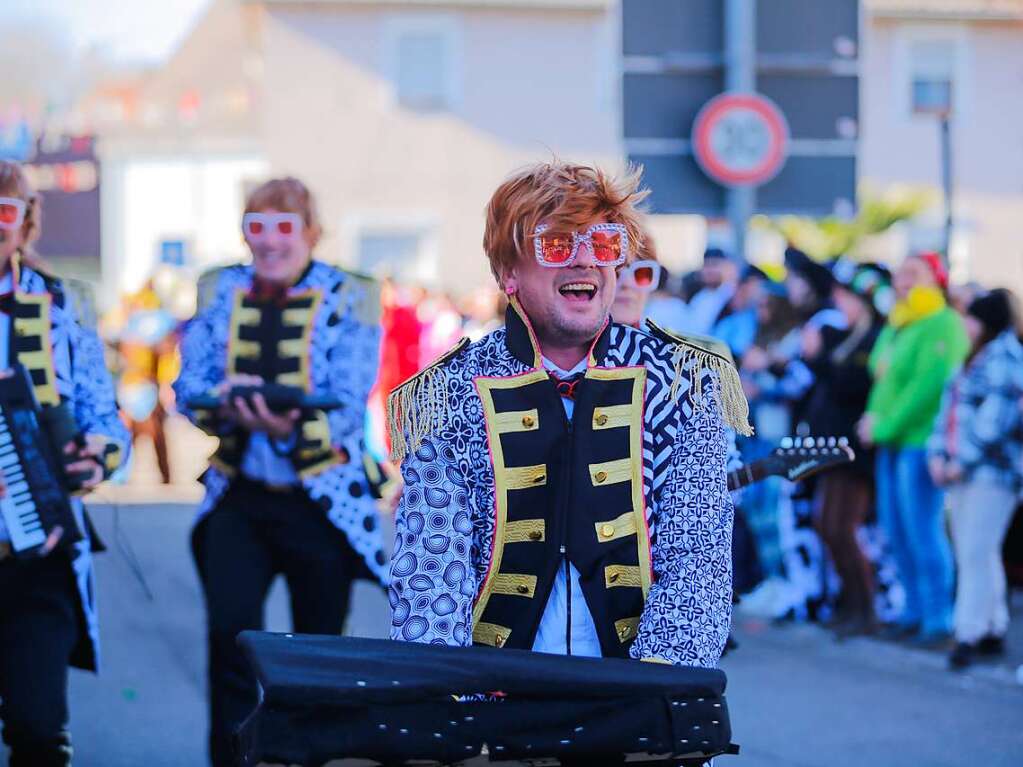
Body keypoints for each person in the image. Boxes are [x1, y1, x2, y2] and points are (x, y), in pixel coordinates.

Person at [387, 161, 750, 668]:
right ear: (508, 272)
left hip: (636, 700)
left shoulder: (684, 383)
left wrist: (653, 697)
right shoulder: (446, 393)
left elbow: (696, 564)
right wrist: (457, 709)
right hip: (493, 702)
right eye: (557, 246)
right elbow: (431, 577)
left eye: (602, 246)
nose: (586, 263)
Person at [173, 177, 386, 766]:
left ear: (311, 233)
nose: (269, 242)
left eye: (284, 228)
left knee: (318, 657)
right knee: (230, 641)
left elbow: (347, 400)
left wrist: (280, 423)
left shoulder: (351, 294)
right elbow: (187, 385)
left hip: (318, 501)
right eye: (256, 227)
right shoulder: (220, 289)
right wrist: (222, 403)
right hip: (239, 497)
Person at [0, 160, 129, 766]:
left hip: (40, 555)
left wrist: (96, 458)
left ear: (26, 222)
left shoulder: (66, 307)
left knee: (37, 733)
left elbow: (107, 422)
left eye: (3, 211)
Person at [858, 251, 968, 645]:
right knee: (896, 529)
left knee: (923, 529)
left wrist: (883, 424)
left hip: (920, 441)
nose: (904, 279)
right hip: (890, 440)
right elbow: (883, 381)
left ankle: (938, 616)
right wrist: (873, 419)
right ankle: (913, 610)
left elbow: (929, 387)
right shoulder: (898, 322)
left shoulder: (942, 322)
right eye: (901, 272)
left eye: (914, 272)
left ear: (936, 279)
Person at [928, 289, 1023, 669]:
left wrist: (959, 461)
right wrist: (938, 453)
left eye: (971, 317)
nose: (964, 323)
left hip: (993, 474)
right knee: (977, 549)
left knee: (974, 550)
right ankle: (992, 625)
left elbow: (995, 421)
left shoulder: (1005, 359)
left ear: (987, 321)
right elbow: (947, 410)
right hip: (965, 470)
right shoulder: (974, 358)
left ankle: (966, 633)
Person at [802, 263, 891, 637]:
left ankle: (865, 609)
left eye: (847, 297)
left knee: (843, 527)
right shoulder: (845, 334)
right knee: (827, 524)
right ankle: (850, 604)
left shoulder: (874, 338)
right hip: (832, 445)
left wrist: (817, 359)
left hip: (854, 449)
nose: (839, 302)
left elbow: (851, 385)